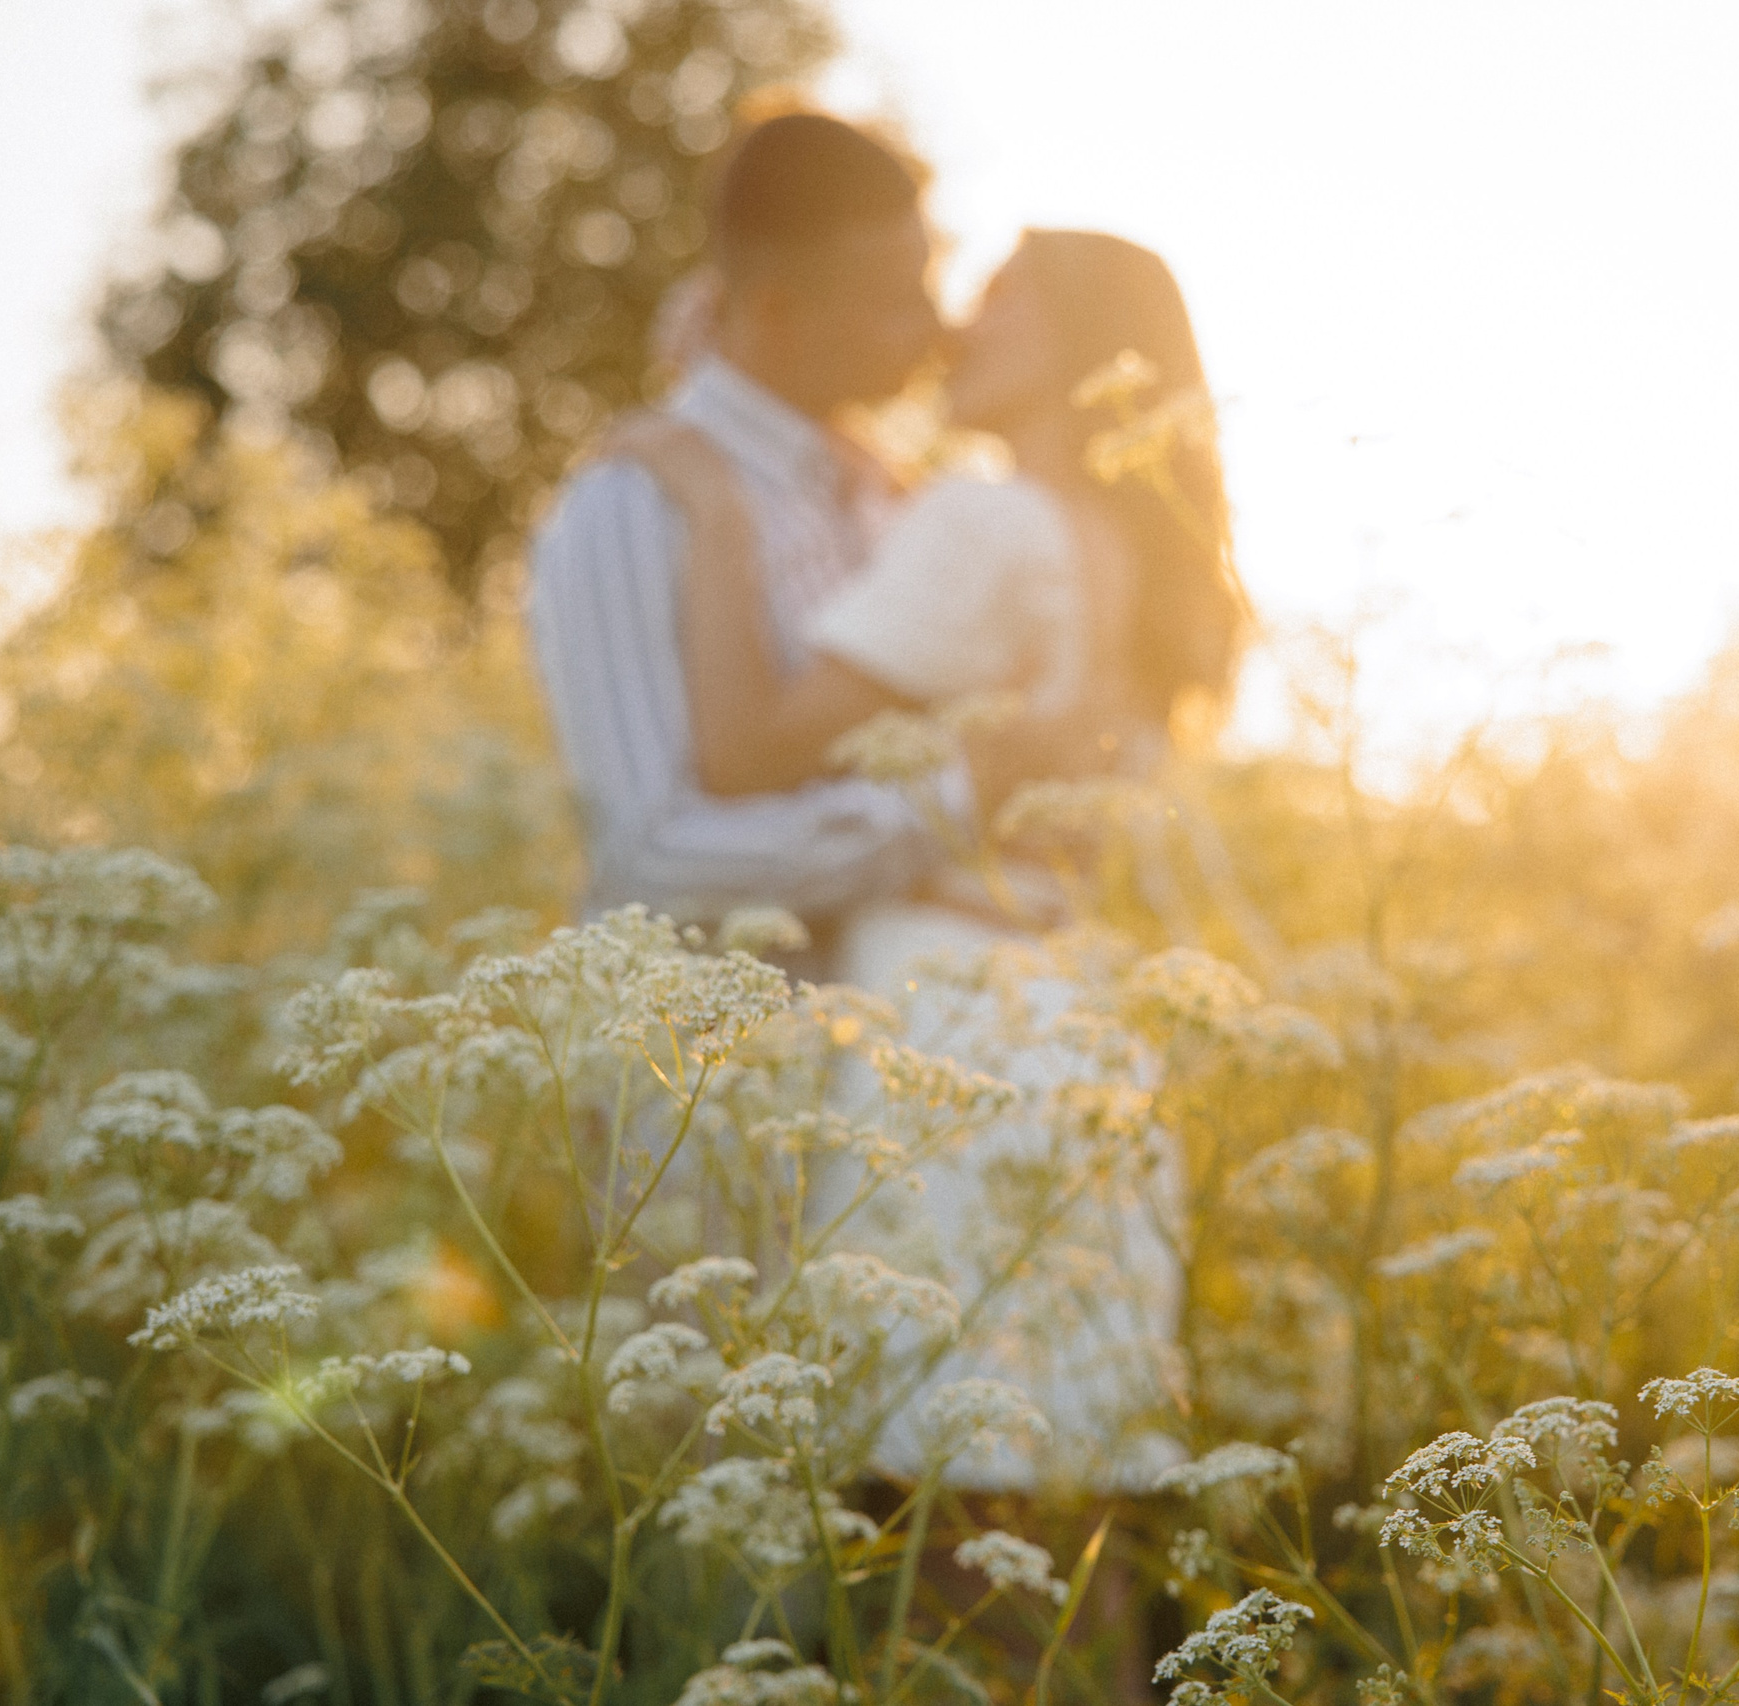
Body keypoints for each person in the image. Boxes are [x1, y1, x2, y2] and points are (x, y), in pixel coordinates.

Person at [671, 227, 1249, 1493]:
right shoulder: (1148, 561)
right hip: (1082, 1033)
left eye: (1002, 303)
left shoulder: (985, 520)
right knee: (1056, 1526)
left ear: (1079, 350)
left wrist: (709, 498)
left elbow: (744, 749)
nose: (958, 328)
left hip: (939, 1020)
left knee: (929, 1530)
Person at [526, 111, 1113, 947]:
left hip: (894, 1036)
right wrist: (950, 804)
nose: (942, 330)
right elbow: (651, 860)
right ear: (777, 313)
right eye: (901, 303)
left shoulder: (882, 495)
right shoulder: (634, 503)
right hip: (707, 1067)